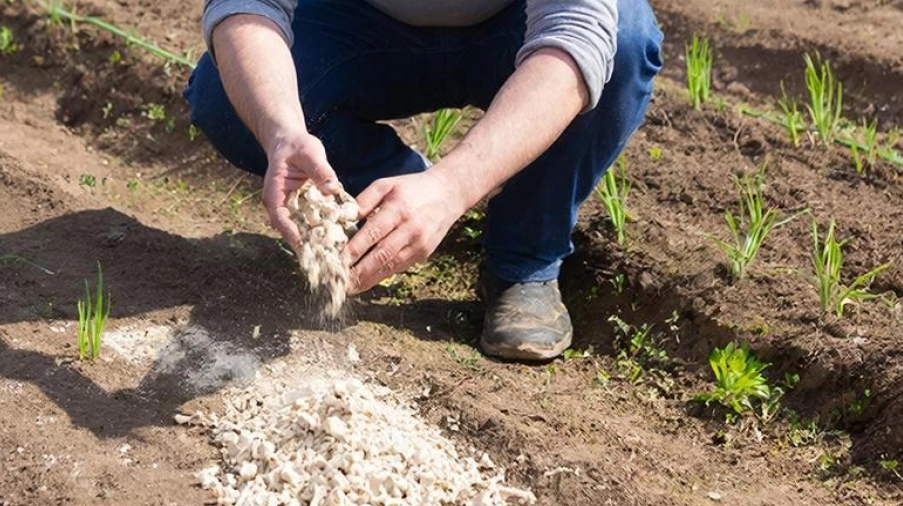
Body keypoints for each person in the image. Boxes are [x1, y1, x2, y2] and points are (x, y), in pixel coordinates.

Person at [185, 0, 662, 361]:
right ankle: (393, 198)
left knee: (624, 39)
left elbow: (577, 32)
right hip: (353, 21)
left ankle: (524, 258)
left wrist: (454, 186)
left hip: (512, 26)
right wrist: (282, 129)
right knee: (228, 98)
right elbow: (247, 6)